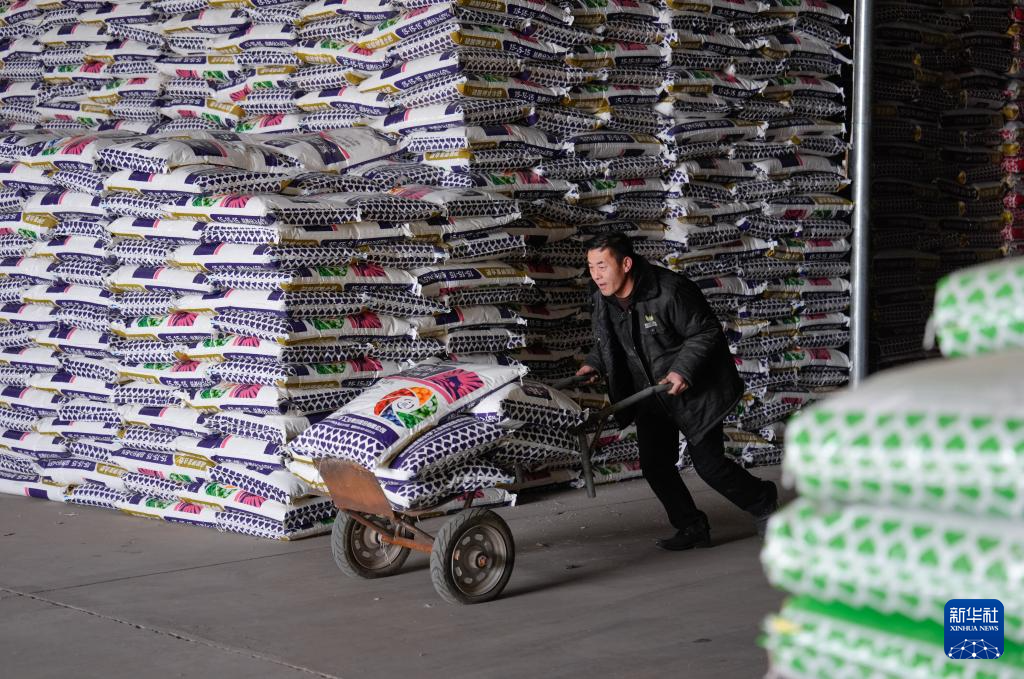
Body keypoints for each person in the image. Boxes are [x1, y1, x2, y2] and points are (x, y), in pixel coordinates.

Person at [576, 232, 778, 551]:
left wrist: (683, 369)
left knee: (709, 467)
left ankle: (763, 500)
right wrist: (594, 364)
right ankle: (691, 525)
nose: (596, 275)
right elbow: (610, 340)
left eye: (602, 265)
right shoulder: (604, 298)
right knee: (656, 466)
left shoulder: (669, 291)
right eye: (591, 267)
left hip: (695, 392)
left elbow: (705, 331)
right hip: (651, 393)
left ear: (626, 264)